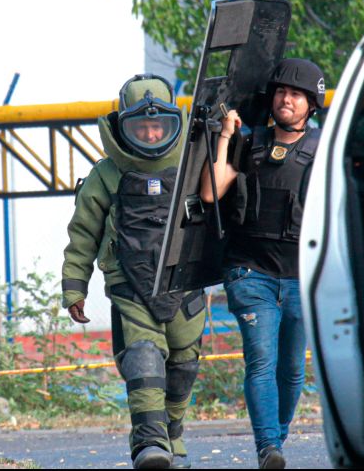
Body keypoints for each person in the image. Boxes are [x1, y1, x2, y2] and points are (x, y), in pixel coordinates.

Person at [62, 74, 206, 470]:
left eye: (158, 124)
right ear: (123, 125)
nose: (150, 132)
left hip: (185, 277)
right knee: (143, 358)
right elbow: (83, 233)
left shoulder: (194, 162)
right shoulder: (106, 174)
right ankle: (149, 444)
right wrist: (74, 286)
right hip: (129, 281)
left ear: (173, 123)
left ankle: (171, 435)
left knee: (183, 362)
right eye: (140, 125)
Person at [199, 58, 325, 469]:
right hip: (249, 271)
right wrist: (225, 138)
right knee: (261, 360)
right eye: (281, 92)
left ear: (312, 103)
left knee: (291, 371)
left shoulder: (324, 149)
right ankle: (267, 447)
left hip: (300, 276)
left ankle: (276, 442)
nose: (286, 99)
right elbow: (210, 193)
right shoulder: (248, 142)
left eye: (296, 94)